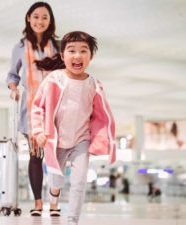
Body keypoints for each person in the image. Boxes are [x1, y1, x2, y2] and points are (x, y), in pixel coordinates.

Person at [31, 31, 116, 225]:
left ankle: (72, 220)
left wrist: (103, 139)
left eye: (83, 51)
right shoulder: (54, 80)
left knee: (79, 181)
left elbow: (101, 116)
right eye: (72, 51)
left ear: (90, 57)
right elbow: (38, 106)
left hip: (81, 140)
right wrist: (38, 131)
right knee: (56, 180)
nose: (77, 56)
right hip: (57, 140)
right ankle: (54, 195)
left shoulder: (94, 84)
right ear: (63, 56)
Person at [6, 2, 59, 217]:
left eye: (44, 17)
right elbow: (12, 74)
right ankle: (38, 203)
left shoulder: (58, 45)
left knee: (56, 157)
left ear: (50, 21)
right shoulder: (19, 47)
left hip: (56, 108)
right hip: (32, 108)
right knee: (36, 156)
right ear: (29, 18)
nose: (40, 21)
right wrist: (13, 88)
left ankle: (54, 202)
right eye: (36, 16)